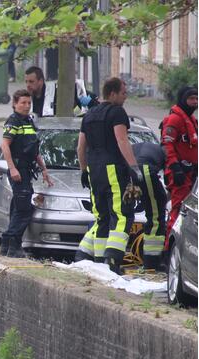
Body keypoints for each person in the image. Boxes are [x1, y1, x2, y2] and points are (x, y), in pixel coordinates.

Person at [75, 77, 143, 273]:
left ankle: (99, 261)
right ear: (112, 93)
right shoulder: (117, 112)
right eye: (123, 93)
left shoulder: (89, 115)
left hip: (94, 169)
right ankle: (112, 261)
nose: (126, 96)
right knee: (122, 214)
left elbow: (81, 147)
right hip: (112, 167)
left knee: (102, 215)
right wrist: (134, 167)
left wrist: (83, 170)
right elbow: (122, 141)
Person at [0, 90, 53, 257]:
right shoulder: (13, 121)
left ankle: (7, 247)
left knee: (18, 208)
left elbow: (34, 150)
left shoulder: (28, 121)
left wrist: (43, 169)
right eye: (23, 103)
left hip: (26, 170)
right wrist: (12, 168)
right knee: (24, 210)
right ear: (15, 104)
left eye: (29, 103)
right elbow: (5, 146)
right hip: (18, 170)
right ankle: (11, 244)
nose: (26, 106)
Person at [161, 86, 198, 237]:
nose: (195, 102)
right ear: (183, 99)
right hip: (179, 173)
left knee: (187, 213)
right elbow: (167, 145)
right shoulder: (175, 119)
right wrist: (176, 168)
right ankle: (169, 248)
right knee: (178, 210)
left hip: (190, 174)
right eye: (191, 99)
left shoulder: (192, 120)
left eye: (197, 99)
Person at [132, 142, 167, 270]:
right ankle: (152, 262)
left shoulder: (142, 146)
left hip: (128, 170)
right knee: (156, 216)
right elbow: (169, 179)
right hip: (144, 171)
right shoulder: (163, 153)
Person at [24, 66, 96, 117]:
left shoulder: (57, 92)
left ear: (41, 81)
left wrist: (76, 112)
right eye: (26, 82)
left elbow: (89, 97)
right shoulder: (26, 98)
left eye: (31, 82)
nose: (28, 85)